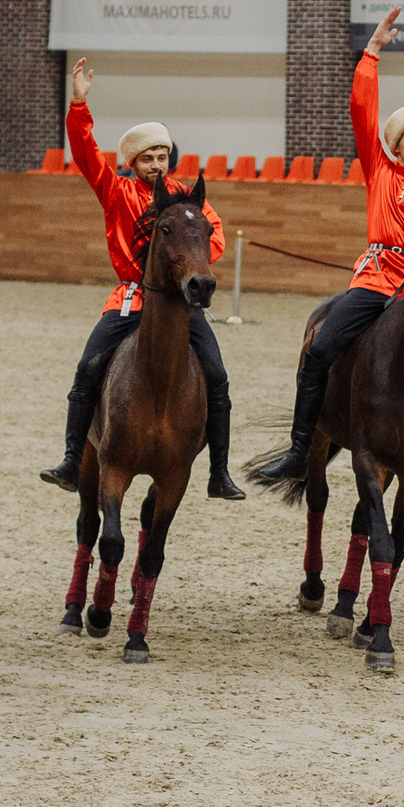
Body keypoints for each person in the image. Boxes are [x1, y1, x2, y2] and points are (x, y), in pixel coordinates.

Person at [249, 7, 404, 503]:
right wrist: (371, 54)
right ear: (397, 146)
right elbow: (362, 109)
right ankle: (298, 448)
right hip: (375, 281)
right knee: (321, 349)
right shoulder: (379, 171)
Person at [37, 56, 245, 500]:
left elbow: (214, 240)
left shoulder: (189, 202)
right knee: (89, 367)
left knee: (217, 374)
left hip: (180, 305)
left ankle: (219, 471)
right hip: (130, 299)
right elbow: (85, 153)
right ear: (132, 163)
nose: (156, 163)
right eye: (147, 157)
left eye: (162, 155)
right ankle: (74, 459)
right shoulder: (116, 192)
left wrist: (191, 265)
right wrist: (78, 104)